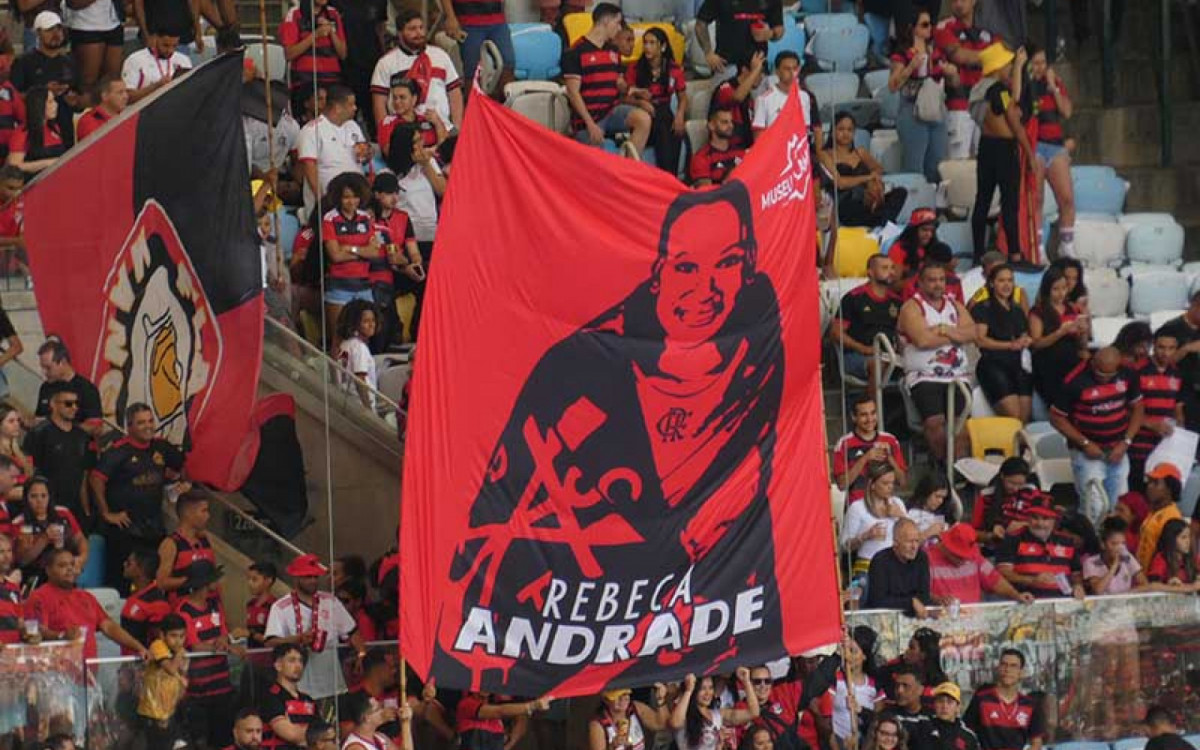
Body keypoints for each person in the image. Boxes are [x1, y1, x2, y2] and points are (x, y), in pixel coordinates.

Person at [434, 183, 790, 689]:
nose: (705, 288)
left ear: (750, 263)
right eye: (686, 266)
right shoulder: (575, 370)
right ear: (658, 271)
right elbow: (494, 521)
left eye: (726, 263)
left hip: (715, 634)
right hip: (566, 637)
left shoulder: (766, 357)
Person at [91, 402, 187, 589]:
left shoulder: (161, 446)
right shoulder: (118, 451)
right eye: (141, 423)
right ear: (129, 426)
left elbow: (182, 464)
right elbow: (96, 479)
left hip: (153, 528)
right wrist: (106, 513)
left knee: (153, 580)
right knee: (121, 582)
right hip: (125, 529)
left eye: (150, 421)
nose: (148, 426)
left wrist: (183, 482)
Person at [898, 262, 975, 464]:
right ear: (921, 283)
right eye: (932, 280)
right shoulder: (911, 307)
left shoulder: (955, 305)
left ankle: (958, 469)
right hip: (925, 375)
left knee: (962, 427)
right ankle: (942, 466)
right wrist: (955, 335)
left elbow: (972, 333)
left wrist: (942, 330)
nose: (938, 284)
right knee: (935, 423)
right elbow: (922, 341)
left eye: (941, 280)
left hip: (957, 375)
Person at [1051, 347, 1144, 512]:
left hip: (1119, 449)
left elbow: (1138, 407)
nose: (1105, 379)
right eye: (1100, 374)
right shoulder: (1074, 380)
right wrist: (1085, 443)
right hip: (1087, 452)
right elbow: (1057, 418)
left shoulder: (1128, 372)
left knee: (1118, 506)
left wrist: (1126, 442)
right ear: (1093, 363)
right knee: (1094, 507)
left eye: (1110, 375)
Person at [265, 553, 367, 700]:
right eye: (308, 577)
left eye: (315, 577)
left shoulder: (330, 601)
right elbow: (270, 641)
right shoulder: (280, 607)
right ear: (296, 578)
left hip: (332, 684)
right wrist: (297, 639)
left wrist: (361, 654)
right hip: (299, 687)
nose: (313, 581)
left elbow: (353, 632)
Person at [970, 44, 1039, 264]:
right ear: (998, 68)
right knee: (1009, 204)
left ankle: (978, 254)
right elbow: (1015, 123)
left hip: (986, 147)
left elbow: (1014, 97)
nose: (1009, 68)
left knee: (982, 200)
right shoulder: (998, 90)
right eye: (1007, 65)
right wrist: (1029, 155)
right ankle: (1015, 254)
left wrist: (1018, 67)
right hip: (1004, 149)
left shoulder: (979, 89)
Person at [26, 547, 149, 660]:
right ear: (48, 570)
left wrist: (138, 647)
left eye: (72, 564)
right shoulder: (39, 596)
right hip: (56, 675)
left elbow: (109, 627)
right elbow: (36, 631)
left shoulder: (86, 597)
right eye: (62, 565)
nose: (69, 569)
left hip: (87, 674)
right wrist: (61, 635)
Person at [562, 4, 651, 153]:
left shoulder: (613, 51)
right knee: (601, 150)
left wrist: (635, 92)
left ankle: (629, 167)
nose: (618, 29)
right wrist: (590, 124)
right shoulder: (576, 51)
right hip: (587, 119)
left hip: (611, 111)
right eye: (617, 23)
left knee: (643, 119)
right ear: (605, 21)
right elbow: (573, 93)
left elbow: (617, 83)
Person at [889, 9, 958, 182]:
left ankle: (931, 204)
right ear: (913, 28)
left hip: (936, 109)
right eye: (924, 25)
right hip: (912, 111)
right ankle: (915, 205)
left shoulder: (936, 52)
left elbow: (955, 83)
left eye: (930, 24)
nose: (929, 28)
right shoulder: (902, 54)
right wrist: (911, 67)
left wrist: (951, 73)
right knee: (914, 165)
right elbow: (892, 85)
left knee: (937, 163)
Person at [176, 559, 237, 749]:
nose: (217, 583)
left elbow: (224, 633)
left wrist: (225, 640)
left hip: (223, 686)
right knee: (200, 742)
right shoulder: (183, 611)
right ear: (204, 583)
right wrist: (219, 645)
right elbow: (194, 646)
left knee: (224, 740)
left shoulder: (215, 604)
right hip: (198, 691)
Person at [370, 10, 462, 132]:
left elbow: (455, 93)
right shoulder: (386, 63)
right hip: (405, 134)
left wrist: (457, 128)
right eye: (412, 29)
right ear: (400, 33)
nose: (419, 33)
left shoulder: (440, 56)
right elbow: (379, 104)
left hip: (443, 129)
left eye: (421, 27)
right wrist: (386, 137)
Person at [317, 172, 379, 347]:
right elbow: (335, 256)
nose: (351, 202)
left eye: (355, 197)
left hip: (364, 286)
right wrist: (362, 251)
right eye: (346, 197)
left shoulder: (366, 218)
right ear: (338, 197)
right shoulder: (330, 219)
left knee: (364, 338)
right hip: (339, 288)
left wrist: (350, 249)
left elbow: (375, 252)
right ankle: (337, 375)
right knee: (339, 338)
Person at [1025, 45, 1075, 256]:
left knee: (1066, 197)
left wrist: (1054, 87)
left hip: (1055, 146)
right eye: (1036, 63)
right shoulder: (1024, 86)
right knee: (1037, 199)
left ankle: (1067, 245)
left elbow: (1066, 111)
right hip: (1034, 145)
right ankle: (1038, 246)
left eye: (1043, 63)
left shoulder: (1054, 84)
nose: (1040, 68)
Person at [935, 0, 999, 160]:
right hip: (958, 105)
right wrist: (990, 57)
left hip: (985, 104)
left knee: (986, 162)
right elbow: (959, 56)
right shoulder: (944, 27)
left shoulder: (992, 27)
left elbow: (1002, 61)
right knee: (958, 163)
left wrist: (991, 58)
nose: (958, 3)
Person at [831, 255, 903, 395]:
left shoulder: (897, 301)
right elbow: (835, 333)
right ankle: (873, 412)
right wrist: (863, 349)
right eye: (885, 268)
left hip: (890, 355)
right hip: (857, 355)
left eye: (892, 268)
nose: (891, 272)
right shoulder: (853, 298)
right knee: (878, 366)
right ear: (870, 272)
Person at [821, 111, 907, 228]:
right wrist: (867, 178)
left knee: (900, 192)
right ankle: (884, 222)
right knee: (857, 206)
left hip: (869, 199)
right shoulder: (827, 155)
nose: (845, 133)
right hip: (846, 204)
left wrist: (874, 184)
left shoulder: (860, 152)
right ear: (833, 131)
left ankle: (881, 220)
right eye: (841, 129)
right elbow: (840, 183)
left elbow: (878, 169)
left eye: (849, 130)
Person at [296, 84, 367, 220]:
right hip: (328, 205)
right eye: (351, 105)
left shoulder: (353, 126)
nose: (355, 108)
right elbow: (309, 168)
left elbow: (364, 158)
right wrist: (323, 201)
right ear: (337, 107)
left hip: (355, 203)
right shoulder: (312, 130)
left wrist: (366, 153)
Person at [972, 263, 1033, 421]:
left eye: (1010, 280)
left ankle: (1020, 446)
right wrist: (1009, 345)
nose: (1007, 285)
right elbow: (980, 340)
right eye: (1001, 281)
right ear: (992, 283)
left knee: (1024, 419)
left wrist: (1026, 340)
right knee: (1014, 416)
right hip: (993, 364)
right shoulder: (982, 308)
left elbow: (1024, 334)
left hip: (1018, 365)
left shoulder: (1017, 309)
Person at [995, 493, 1086, 599]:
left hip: (1062, 603)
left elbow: (1076, 573)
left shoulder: (1067, 541)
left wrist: (1078, 586)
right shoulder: (1013, 539)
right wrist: (1032, 580)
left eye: (1045, 518)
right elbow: (1003, 573)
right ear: (1027, 518)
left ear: (1055, 520)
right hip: (1025, 604)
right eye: (1035, 517)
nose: (1040, 523)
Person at [623, 27, 687, 175]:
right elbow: (625, 97)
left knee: (675, 129)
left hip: (664, 113)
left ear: (663, 46)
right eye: (645, 43)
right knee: (663, 126)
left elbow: (682, 98)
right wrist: (641, 103)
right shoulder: (635, 68)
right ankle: (668, 177)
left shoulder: (673, 69)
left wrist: (680, 115)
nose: (647, 47)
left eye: (652, 43)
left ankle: (672, 178)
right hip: (644, 116)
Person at [1129, 330, 1184, 492]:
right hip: (1138, 443)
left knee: (1160, 492)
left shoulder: (1177, 373)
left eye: (1171, 348)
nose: (1166, 353)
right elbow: (1124, 408)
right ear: (1153, 346)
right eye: (1161, 347)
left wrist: (1179, 428)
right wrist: (1150, 424)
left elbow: (1177, 407)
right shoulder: (1136, 371)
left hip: (1164, 444)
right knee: (1138, 492)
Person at [928, 523, 1034, 605]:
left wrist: (1016, 595)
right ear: (946, 546)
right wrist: (937, 599)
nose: (964, 560)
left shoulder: (975, 556)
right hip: (940, 620)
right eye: (958, 556)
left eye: (966, 556)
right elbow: (918, 592)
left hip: (973, 620)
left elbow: (995, 580)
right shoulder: (927, 559)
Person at [1029, 265, 1088, 408]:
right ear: (1047, 289)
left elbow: (1081, 344)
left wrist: (1083, 331)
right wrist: (1059, 332)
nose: (1061, 293)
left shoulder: (1072, 309)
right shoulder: (1038, 311)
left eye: (1064, 288)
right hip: (1048, 364)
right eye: (1056, 289)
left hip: (1071, 359)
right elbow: (1036, 344)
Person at [831, 395, 907, 505]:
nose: (870, 419)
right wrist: (865, 458)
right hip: (857, 506)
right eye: (864, 415)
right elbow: (842, 485)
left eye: (873, 413)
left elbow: (903, 483)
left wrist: (890, 458)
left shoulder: (890, 440)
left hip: (886, 507)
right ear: (853, 417)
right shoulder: (844, 443)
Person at [13, 475, 87, 586]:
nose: (39, 500)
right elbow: (23, 560)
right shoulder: (19, 522)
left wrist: (81, 558)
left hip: (66, 575)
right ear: (26, 498)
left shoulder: (63, 513)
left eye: (44, 496)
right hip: (36, 578)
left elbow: (80, 540)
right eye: (34, 496)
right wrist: (44, 539)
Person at [963, 651, 1043, 750]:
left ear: (1021, 672)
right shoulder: (981, 699)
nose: (1007, 669)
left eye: (1013, 666)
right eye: (1004, 664)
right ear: (998, 668)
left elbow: (1037, 742)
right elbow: (965, 734)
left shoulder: (1030, 705)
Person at [842, 463, 910, 579]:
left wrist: (901, 515)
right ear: (872, 485)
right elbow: (844, 546)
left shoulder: (897, 503)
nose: (890, 487)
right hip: (867, 567)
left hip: (895, 566)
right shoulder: (857, 507)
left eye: (892, 483)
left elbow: (912, 534)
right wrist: (865, 536)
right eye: (885, 483)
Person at [279, 0, 346, 113]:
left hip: (331, 81)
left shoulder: (333, 14)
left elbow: (343, 54)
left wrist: (331, 32)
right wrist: (315, 35)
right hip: (305, 82)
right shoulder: (295, 13)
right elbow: (289, 53)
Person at [137, 614, 190, 749]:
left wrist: (184, 671)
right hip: (153, 714)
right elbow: (171, 669)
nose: (178, 641)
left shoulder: (176, 653)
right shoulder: (158, 645)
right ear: (162, 635)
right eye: (173, 636)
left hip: (169, 712)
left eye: (182, 636)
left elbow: (181, 684)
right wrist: (180, 654)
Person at [672, 670, 760, 750]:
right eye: (702, 689)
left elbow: (753, 712)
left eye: (710, 688)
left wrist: (746, 682)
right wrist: (688, 690)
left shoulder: (718, 714)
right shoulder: (683, 714)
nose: (708, 693)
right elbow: (675, 723)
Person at [863, 518, 934, 617]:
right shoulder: (880, 560)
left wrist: (912, 603)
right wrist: (910, 602)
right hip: (884, 618)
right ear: (895, 542)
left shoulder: (921, 558)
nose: (914, 547)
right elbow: (877, 601)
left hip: (915, 617)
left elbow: (924, 596)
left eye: (917, 541)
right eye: (909, 542)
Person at [695, 0, 782, 77]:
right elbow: (701, 24)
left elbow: (779, 29)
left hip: (757, 64)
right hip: (725, 64)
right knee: (726, 95)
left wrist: (770, 34)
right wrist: (708, 53)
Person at [155, 491, 216, 601]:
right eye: (204, 511)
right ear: (188, 513)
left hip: (210, 609)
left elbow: (214, 577)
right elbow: (161, 582)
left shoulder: (205, 540)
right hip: (182, 610)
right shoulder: (171, 544)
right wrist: (192, 581)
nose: (208, 516)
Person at [34, 340, 102, 435]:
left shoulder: (87, 389)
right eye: (42, 367)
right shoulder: (46, 387)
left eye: (48, 368)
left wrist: (64, 426)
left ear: (63, 362)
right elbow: (39, 418)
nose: (44, 372)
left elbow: (96, 427)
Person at [890, 210, 958, 300]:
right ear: (913, 230)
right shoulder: (898, 249)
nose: (929, 234)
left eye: (932, 231)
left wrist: (947, 268)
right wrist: (921, 277)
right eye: (924, 230)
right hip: (906, 300)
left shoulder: (935, 248)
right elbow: (893, 286)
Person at [261, 644, 318, 750]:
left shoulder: (308, 700)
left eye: (300, 661)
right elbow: (292, 734)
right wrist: (314, 734)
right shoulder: (270, 697)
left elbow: (324, 732)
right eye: (292, 660)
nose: (298, 666)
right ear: (278, 665)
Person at [377, 77, 447, 160]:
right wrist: (427, 153)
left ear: (414, 99)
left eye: (402, 97)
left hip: (437, 165)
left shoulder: (427, 118)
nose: (397, 102)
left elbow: (445, 147)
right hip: (408, 169)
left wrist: (438, 123)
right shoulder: (387, 123)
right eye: (395, 98)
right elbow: (392, 156)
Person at [753, 51, 817, 143]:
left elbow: (804, 131)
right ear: (777, 71)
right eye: (787, 69)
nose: (792, 73)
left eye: (795, 69)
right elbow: (758, 138)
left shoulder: (804, 97)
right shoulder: (763, 99)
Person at [832, 635, 881, 749]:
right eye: (845, 651)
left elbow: (879, 720)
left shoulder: (875, 685)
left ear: (864, 656)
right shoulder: (834, 680)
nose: (847, 656)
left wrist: (861, 710)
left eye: (853, 651)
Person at [456, 691, 552, 750]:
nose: (484, 686)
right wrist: (532, 706)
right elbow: (500, 711)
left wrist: (507, 747)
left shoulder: (497, 719)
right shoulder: (466, 704)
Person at [588, 684, 670, 750]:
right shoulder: (598, 724)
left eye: (625, 694)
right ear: (606, 700)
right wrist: (612, 747)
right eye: (616, 696)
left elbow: (661, 725)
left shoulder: (635, 707)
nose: (623, 699)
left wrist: (660, 699)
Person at [709, 52, 765, 149]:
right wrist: (755, 71)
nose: (761, 77)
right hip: (727, 148)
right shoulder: (726, 88)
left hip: (745, 148)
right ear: (744, 70)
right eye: (759, 72)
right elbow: (737, 98)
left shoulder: (749, 95)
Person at [121, 29, 192, 103]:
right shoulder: (135, 59)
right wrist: (156, 86)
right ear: (155, 39)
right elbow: (128, 97)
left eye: (174, 46)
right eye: (165, 45)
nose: (170, 50)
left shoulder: (184, 60)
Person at [120, 547, 171, 649]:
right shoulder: (135, 593)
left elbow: (159, 642)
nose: (124, 564)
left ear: (140, 570)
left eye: (129, 563)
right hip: (128, 660)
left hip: (143, 662)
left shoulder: (157, 604)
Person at [1136, 464, 1185, 569]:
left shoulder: (1172, 517)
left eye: (1156, 483)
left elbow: (1168, 556)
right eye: (1149, 481)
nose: (1149, 486)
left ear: (1169, 489)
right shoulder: (1155, 510)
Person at [7, 85, 64, 175]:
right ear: (39, 104)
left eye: (54, 100)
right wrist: (49, 163)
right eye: (50, 102)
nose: (56, 105)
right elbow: (14, 166)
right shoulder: (22, 133)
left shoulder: (54, 128)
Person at [336, 299, 379, 410]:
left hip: (347, 402)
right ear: (354, 323)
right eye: (366, 321)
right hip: (360, 405)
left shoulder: (345, 344)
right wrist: (368, 410)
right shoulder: (359, 347)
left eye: (373, 320)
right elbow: (360, 379)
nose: (371, 325)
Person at [912, 683, 980, 750]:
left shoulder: (968, 736)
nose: (944, 706)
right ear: (934, 705)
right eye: (940, 701)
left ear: (958, 707)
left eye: (949, 702)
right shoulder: (921, 728)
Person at [690, 108, 747, 188]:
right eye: (724, 122)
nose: (730, 126)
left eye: (731, 122)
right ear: (711, 125)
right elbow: (706, 192)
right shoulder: (702, 158)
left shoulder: (740, 151)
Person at [1146, 518, 1200, 590]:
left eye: (1189, 537)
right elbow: (1152, 584)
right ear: (1171, 540)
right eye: (1183, 537)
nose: (1188, 541)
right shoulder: (1161, 559)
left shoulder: (1193, 558)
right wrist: (1168, 585)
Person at [75, 74, 127, 140]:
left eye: (126, 92)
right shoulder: (88, 121)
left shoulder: (127, 118)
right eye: (120, 93)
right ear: (104, 96)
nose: (125, 96)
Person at [886, 664, 931, 737]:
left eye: (906, 686)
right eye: (897, 685)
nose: (900, 690)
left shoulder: (932, 717)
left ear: (920, 690)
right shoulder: (887, 716)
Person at [906, 474, 953, 538]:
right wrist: (928, 533)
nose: (941, 501)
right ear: (926, 492)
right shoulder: (910, 514)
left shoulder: (942, 511)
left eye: (943, 498)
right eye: (937, 496)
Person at [245, 560, 278, 650]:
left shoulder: (274, 606)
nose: (250, 583)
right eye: (248, 579)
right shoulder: (250, 604)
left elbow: (273, 640)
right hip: (252, 655)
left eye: (254, 579)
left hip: (268, 657)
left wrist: (250, 634)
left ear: (268, 581)